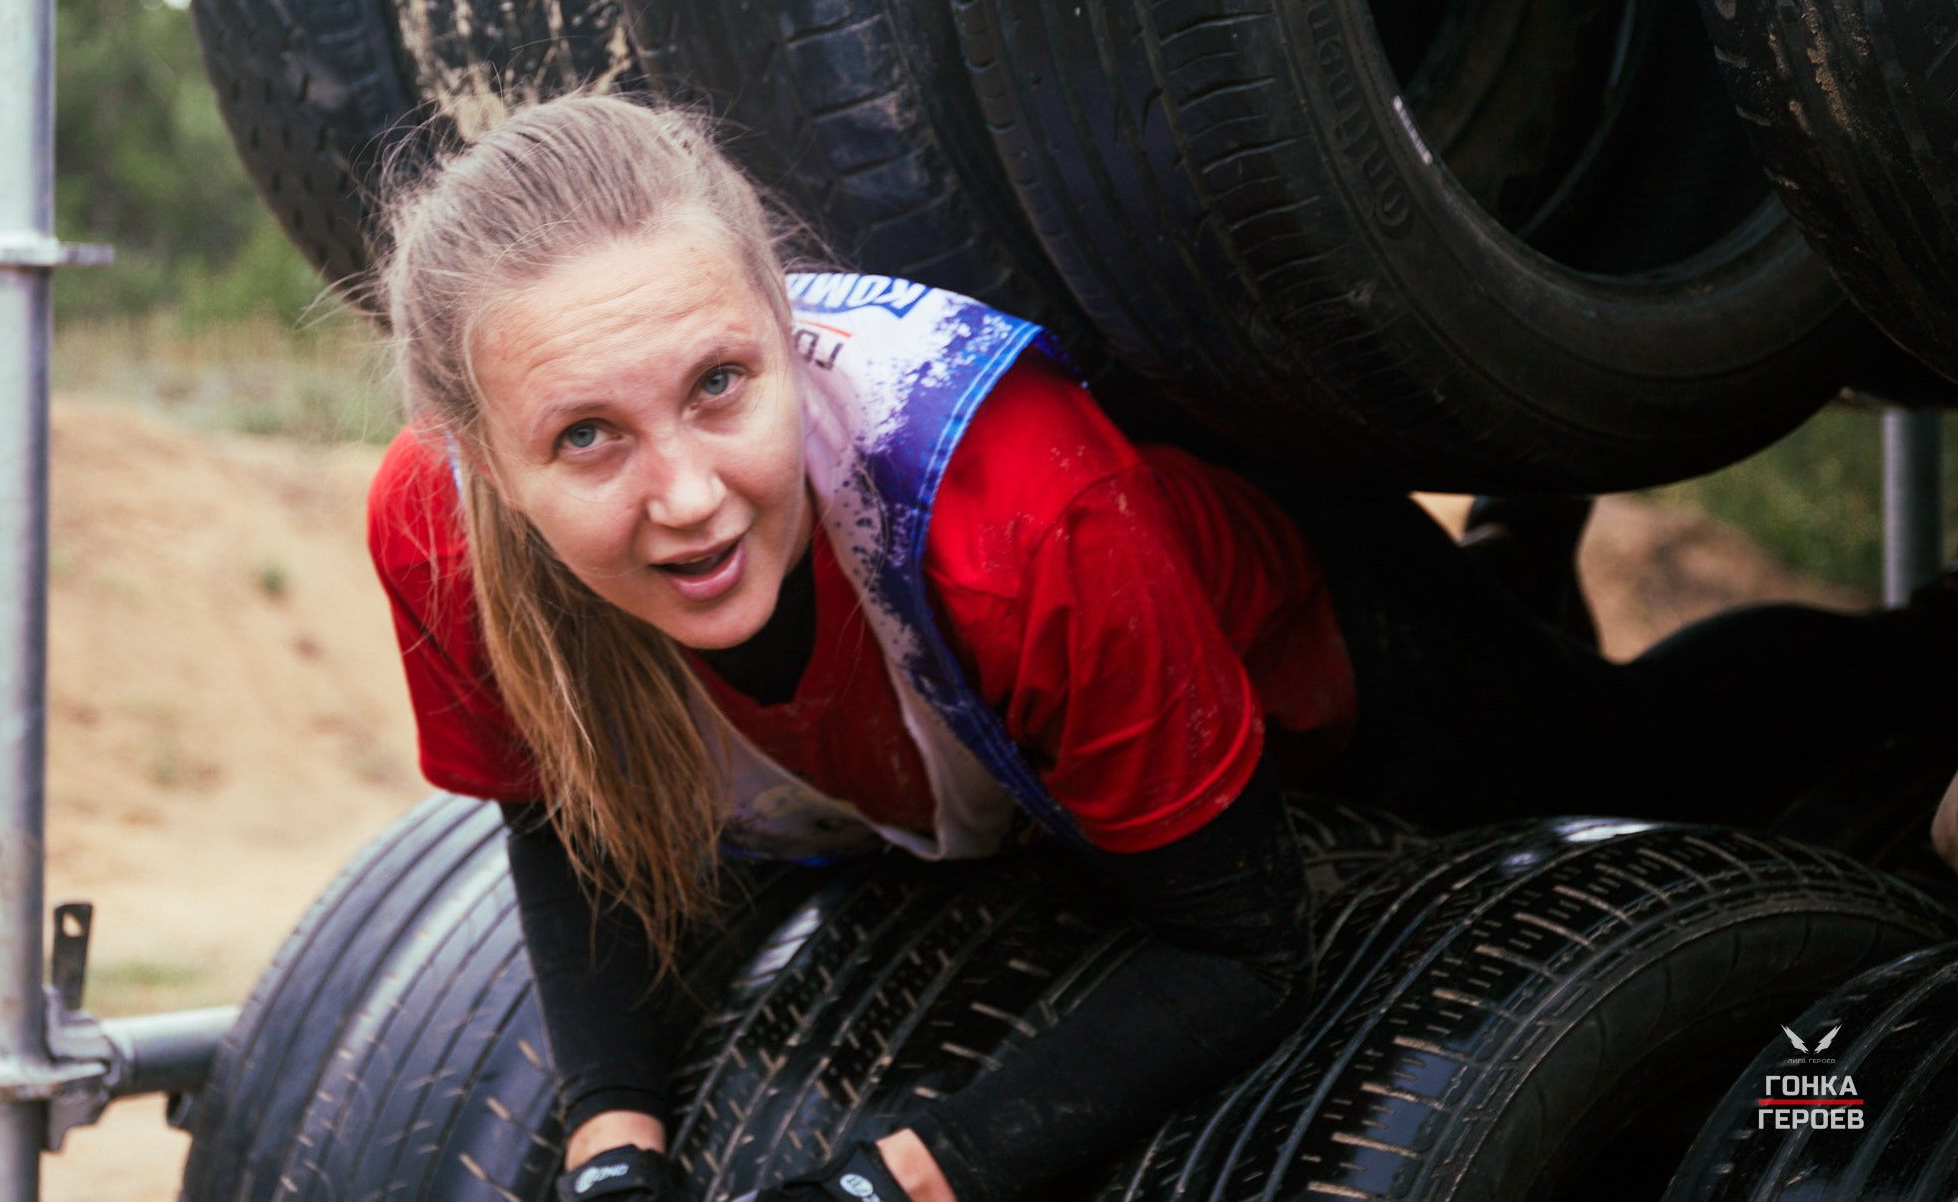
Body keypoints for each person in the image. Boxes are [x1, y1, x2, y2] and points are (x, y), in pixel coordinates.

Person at [362, 95, 1958, 1202]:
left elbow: (1245, 950)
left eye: (722, 384)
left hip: (1314, 639)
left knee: (1612, 754)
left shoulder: (1019, 520)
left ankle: (1927, 643)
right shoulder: (437, 536)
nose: (689, 496)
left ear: (790, 330)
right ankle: (1520, 546)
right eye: (588, 437)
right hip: (1035, 709)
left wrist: (906, 1172)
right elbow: (564, 840)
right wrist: (616, 1146)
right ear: (479, 458)